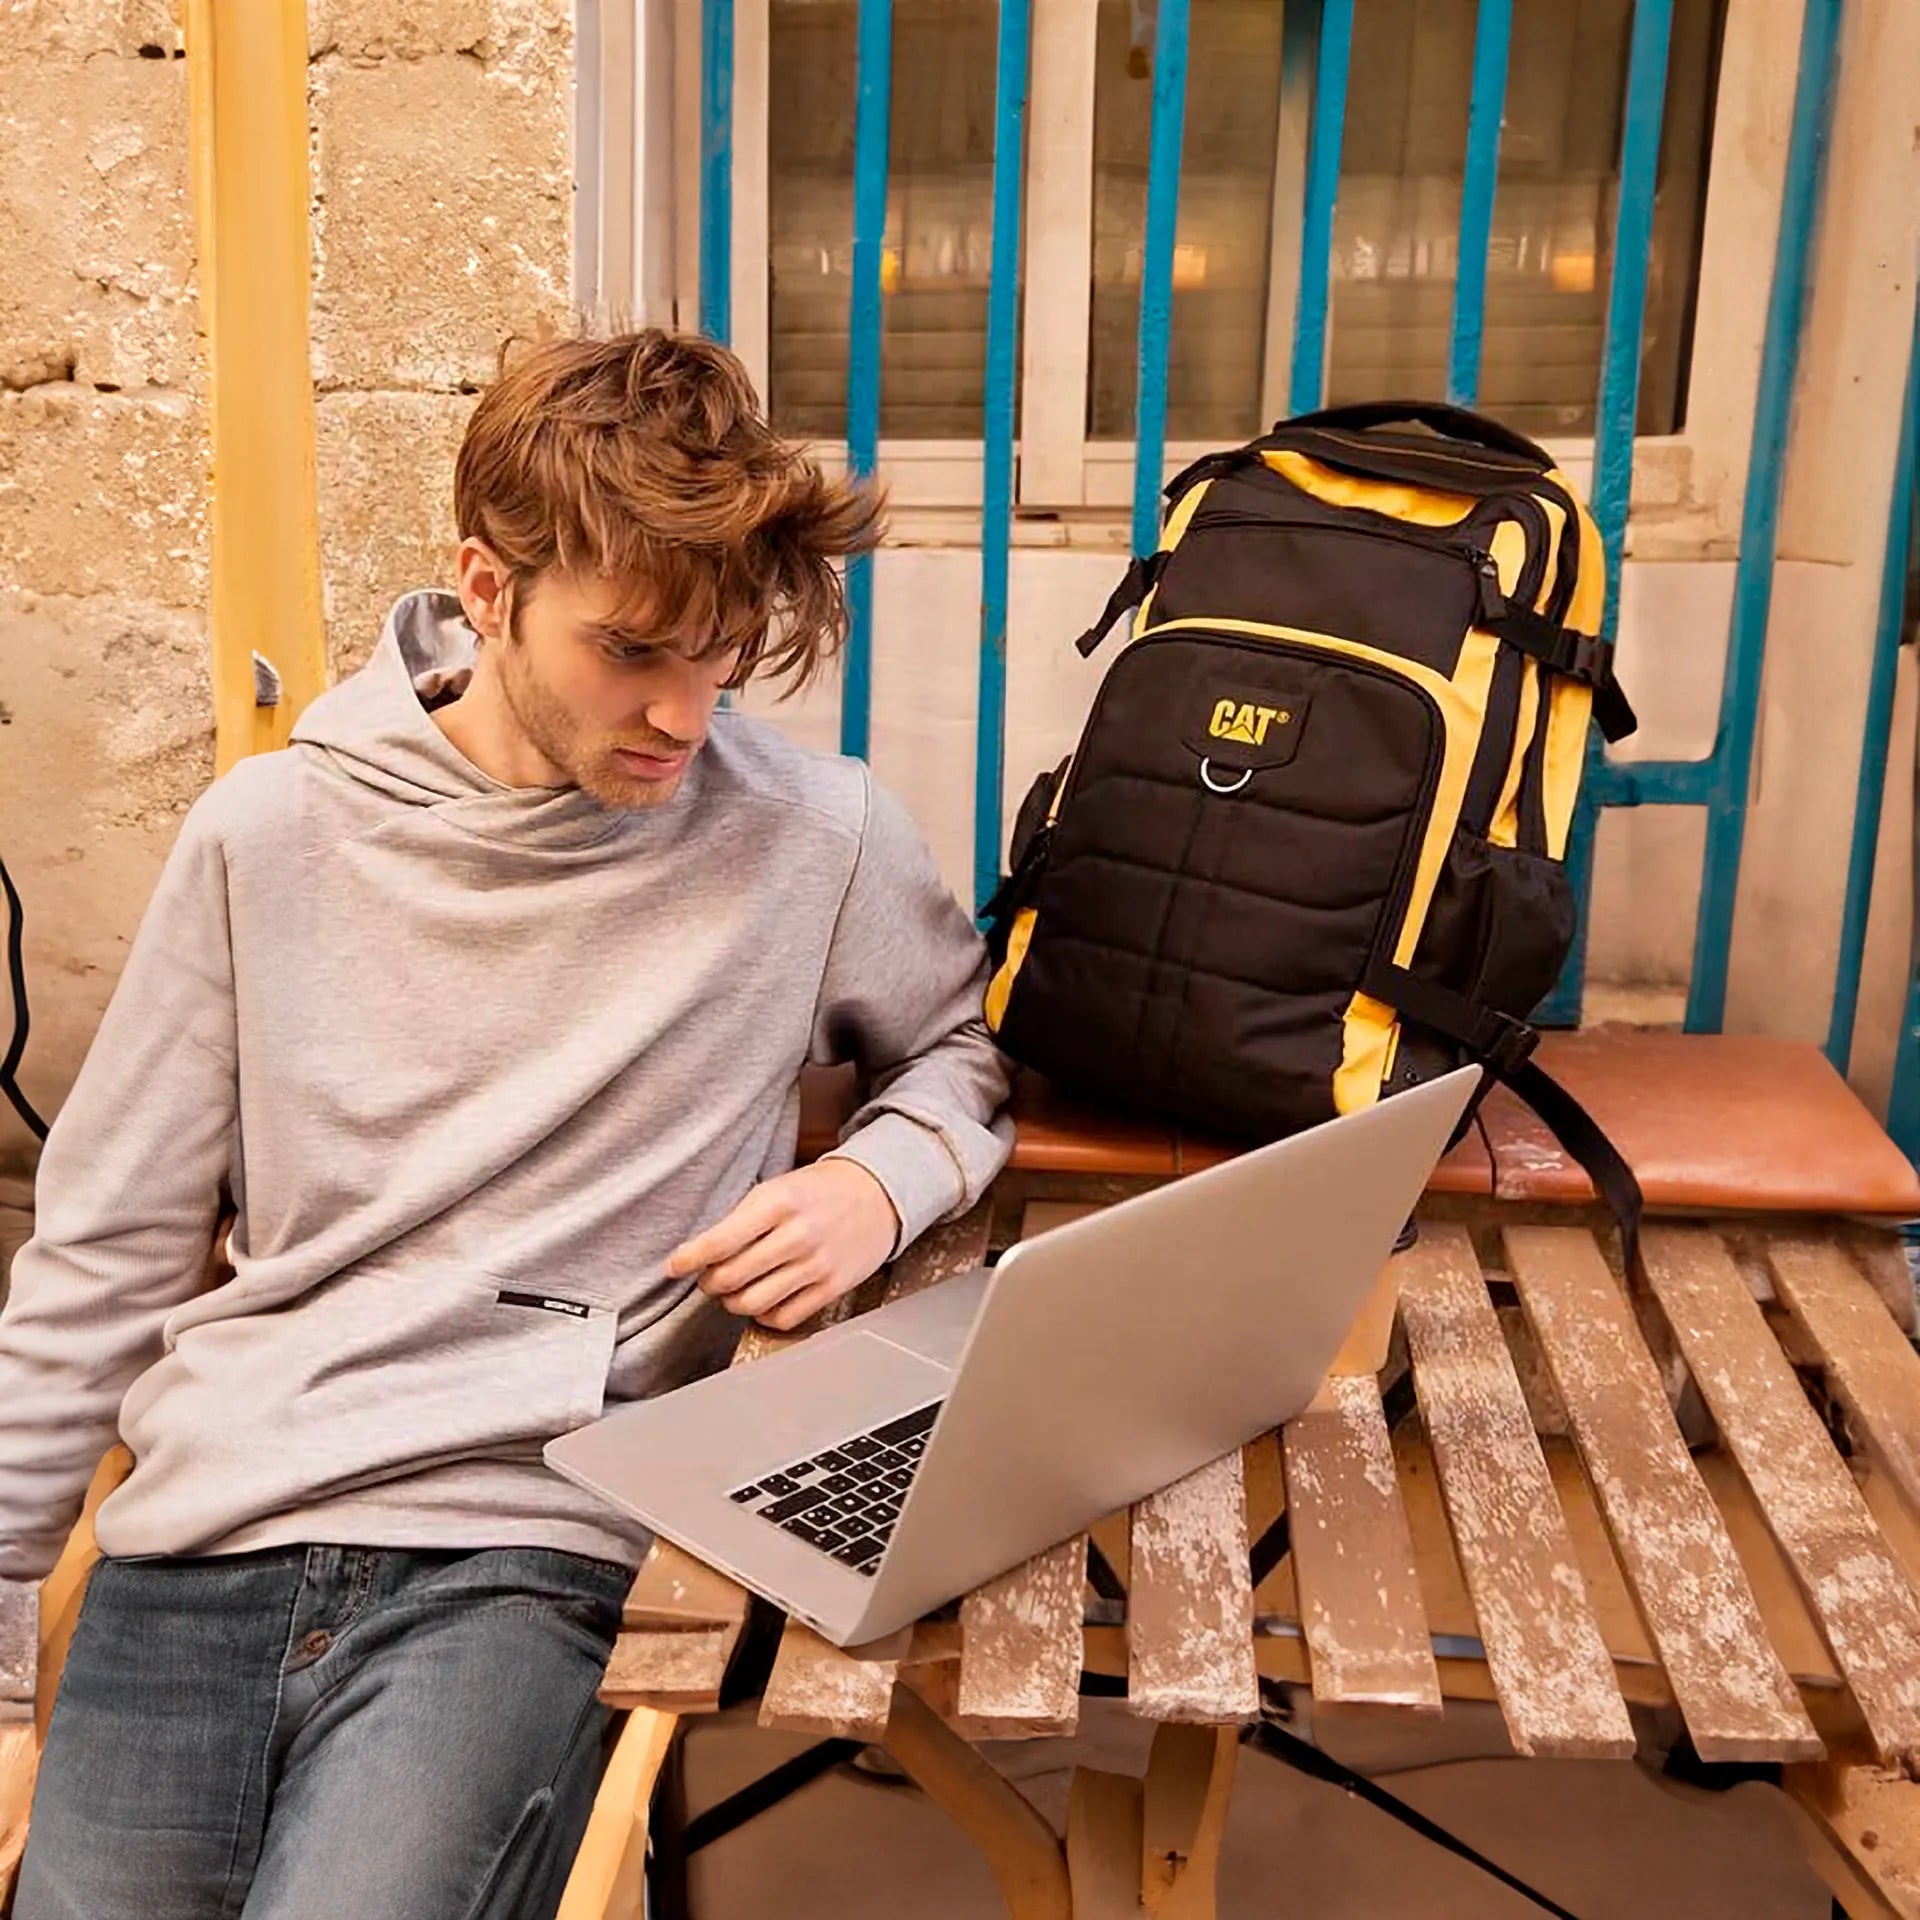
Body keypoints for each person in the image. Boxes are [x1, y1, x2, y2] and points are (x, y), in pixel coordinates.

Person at [0, 329, 1012, 1919]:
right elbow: (100, 1256)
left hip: (528, 1533)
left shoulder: (812, 839)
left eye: (721, 658)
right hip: (216, 1521)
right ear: (484, 586)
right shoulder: (266, 836)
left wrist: (878, 1186)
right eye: (631, 654)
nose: (683, 717)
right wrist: (0, 1677)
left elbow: (961, 1052)